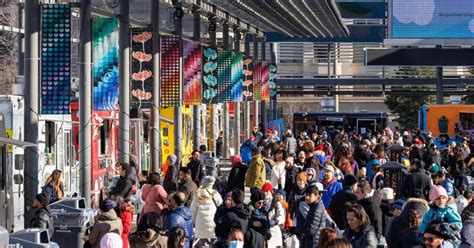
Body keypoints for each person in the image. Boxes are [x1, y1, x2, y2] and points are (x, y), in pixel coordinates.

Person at [190, 176, 223, 243]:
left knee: (201, 243)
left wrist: (191, 223)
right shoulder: (215, 194)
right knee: (212, 243)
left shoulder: (197, 193)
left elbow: (193, 210)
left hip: (200, 223)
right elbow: (220, 206)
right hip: (212, 222)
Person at [261, 183, 285, 248]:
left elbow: (282, 216)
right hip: (264, 230)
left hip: (274, 230)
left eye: (267, 191)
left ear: (271, 191)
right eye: (263, 191)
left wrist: (276, 221)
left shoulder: (276, 203)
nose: (265, 193)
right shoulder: (261, 203)